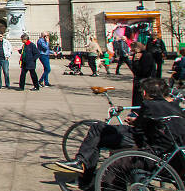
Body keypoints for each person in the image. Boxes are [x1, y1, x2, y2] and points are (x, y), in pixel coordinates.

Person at [56, 78, 185, 183]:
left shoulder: (149, 105)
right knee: (98, 129)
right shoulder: (175, 107)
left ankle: (83, 170)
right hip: (156, 144)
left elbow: (140, 129)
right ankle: (82, 165)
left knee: (98, 134)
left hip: (141, 140)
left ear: (146, 93)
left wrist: (134, 121)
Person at [131, 41, 156, 108]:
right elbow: (134, 70)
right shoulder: (136, 55)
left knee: (142, 99)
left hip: (145, 80)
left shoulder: (146, 55)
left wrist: (136, 62)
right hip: (139, 79)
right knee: (137, 99)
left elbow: (144, 71)